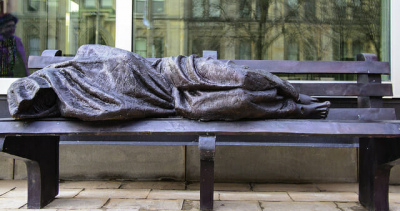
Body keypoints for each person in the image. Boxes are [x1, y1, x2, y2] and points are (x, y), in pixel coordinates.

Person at [7, 44, 330, 121]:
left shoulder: (84, 55)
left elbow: (128, 61)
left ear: (44, 82)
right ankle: (293, 110)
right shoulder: (78, 107)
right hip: (172, 103)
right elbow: (126, 109)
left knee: (242, 78)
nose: (43, 103)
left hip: (170, 70)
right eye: (36, 106)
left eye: (39, 96)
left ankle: (296, 94)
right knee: (240, 101)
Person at [0, 13, 29, 77]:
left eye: (13, 26)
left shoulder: (17, 41)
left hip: (14, 77)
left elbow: (23, 61)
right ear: (1, 27)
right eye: (8, 26)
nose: (12, 28)